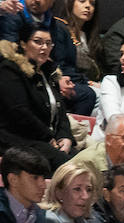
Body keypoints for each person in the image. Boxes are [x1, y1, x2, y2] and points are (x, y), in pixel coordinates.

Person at [0, 18, 75, 168]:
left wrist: (65, 137)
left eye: (48, 43)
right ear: (23, 44)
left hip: (47, 140)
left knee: (82, 162)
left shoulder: (48, 71)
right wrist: (49, 138)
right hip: (19, 139)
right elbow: (20, 113)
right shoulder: (10, 70)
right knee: (65, 165)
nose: (44, 47)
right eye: (38, 42)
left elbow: (60, 112)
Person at [0, 146, 53, 223]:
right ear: (13, 179)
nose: (43, 185)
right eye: (35, 178)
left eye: (43, 177)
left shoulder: (42, 216)